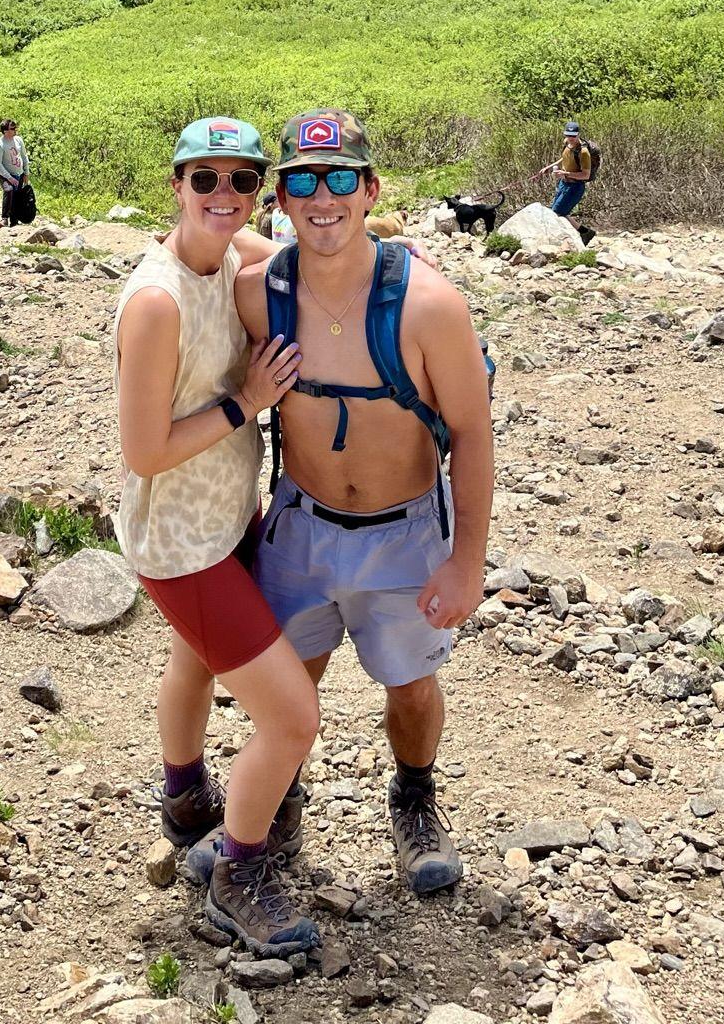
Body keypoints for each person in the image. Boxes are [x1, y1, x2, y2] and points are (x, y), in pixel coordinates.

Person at [204, 111, 494, 902]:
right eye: (302, 180)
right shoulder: (259, 295)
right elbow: (193, 269)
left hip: (403, 534)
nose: (322, 197)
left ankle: (414, 800)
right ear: (283, 200)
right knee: (288, 687)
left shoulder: (430, 306)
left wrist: (466, 563)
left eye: (339, 179)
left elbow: (470, 434)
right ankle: (273, 812)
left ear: (370, 190)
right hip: (299, 527)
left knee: (410, 684)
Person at [114, 117, 320, 959]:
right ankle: (238, 870)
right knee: (293, 718)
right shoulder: (158, 301)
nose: (225, 198)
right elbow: (143, 450)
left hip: (228, 515)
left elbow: (299, 257)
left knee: (192, 661)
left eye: (243, 182)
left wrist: (395, 248)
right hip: (180, 541)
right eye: (207, 181)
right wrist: (245, 404)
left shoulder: (233, 254)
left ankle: (184, 797)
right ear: (176, 185)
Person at [540, 121, 595, 216]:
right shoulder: (567, 144)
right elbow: (565, 158)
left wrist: (565, 174)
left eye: (573, 136)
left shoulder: (583, 152)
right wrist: (549, 167)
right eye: (568, 135)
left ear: (578, 135)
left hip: (575, 187)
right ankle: (584, 231)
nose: (570, 138)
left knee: (557, 213)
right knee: (557, 212)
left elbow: (586, 175)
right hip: (563, 184)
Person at [0, 119, 32, 227]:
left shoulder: (18, 140)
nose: (15, 130)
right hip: (4, 174)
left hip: (18, 173)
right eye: (12, 128)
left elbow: (24, 156)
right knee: (9, 190)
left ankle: (14, 221)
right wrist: (9, 178)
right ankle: (4, 218)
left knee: (17, 196)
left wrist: (26, 173)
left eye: (15, 128)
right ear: (5, 131)